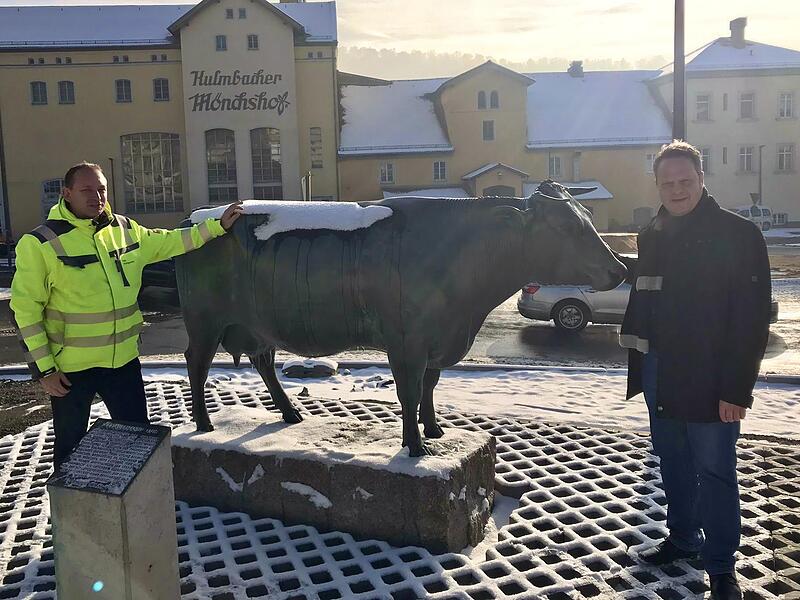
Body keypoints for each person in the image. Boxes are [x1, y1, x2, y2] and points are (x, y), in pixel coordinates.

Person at [10, 162, 243, 469]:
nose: (96, 197)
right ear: (66, 194)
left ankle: (139, 497)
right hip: (70, 370)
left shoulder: (124, 230)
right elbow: (26, 311)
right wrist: (44, 370)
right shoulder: (41, 243)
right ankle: (70, 501)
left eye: (101, 189)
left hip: (122, 363)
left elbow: (169, 241)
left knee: (137, 440)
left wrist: (216, 226)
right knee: (70, 448)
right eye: (86, 190)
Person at [620, 140, 771, 600]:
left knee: (715, 470)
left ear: (702, 179)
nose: (677, 190)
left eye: (685, 180)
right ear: (657, 185)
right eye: (667, 182)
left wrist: (737, 390)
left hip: (712, 376)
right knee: (673, 462)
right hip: (660, 370)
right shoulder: (652, 233)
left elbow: (751, 321)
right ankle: (684, 537)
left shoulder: (739, 234)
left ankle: (721, 566)